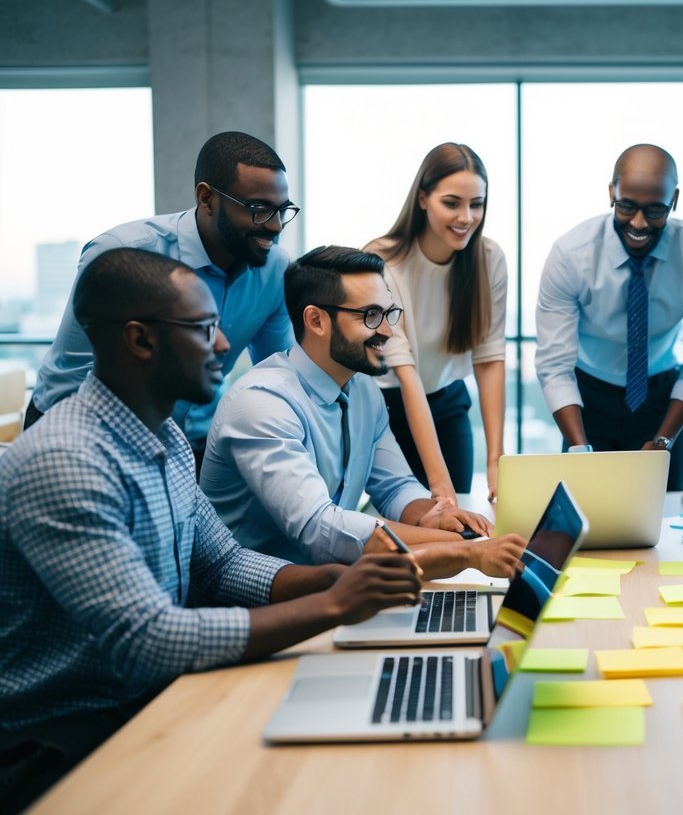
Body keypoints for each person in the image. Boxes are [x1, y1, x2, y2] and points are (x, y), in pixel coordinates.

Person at [0, 249, 422, 811]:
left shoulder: (165, 439)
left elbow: (222, 564)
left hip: (146, 702)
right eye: (203, 330)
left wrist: (331, 577)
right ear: (139, 340)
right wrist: (334, 606)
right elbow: (151, 640)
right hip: (62, 736)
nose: (225, 345)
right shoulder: (68, 460)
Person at [200, 246, 525, 579]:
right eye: (371, 315)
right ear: (316, 320)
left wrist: (431, 516)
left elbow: (396, 487)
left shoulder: (364, 390)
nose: (387, 331)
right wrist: (465, 546)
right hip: (258, 602)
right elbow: (320, 528)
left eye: (389, 314)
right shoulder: (262, 403)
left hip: (333, 585)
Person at [27, 131, 299, 468]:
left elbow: (276, 374)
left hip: (189, 447)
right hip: (79, 438)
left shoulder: (275, 269)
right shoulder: (124, 252)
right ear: (207, 198)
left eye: (282, 210)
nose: (274, 226)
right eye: (258, 209)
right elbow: (71, 379)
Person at [535, 144, 683, 491]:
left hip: (663, 405)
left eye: (655, 210)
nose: (639, 223)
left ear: (675, 199)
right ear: (612, 193)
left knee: (659, 526)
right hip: (585, 404)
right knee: (585, 522)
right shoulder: (571, 255)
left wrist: (664, 440)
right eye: (627, 207)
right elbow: (554, 364)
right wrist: (579, 447)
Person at [364, 143, 507, 501]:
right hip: (389, 408)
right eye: (452, 203)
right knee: (416, 522)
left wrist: (496, 461)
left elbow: (489, 360)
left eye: (477, 204)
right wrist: (439, 485)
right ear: (423, 198)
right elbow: (405, 372)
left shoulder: (489, 259)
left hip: (446, 403)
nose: (466, 217)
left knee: (458, 529)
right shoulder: (381, 260)